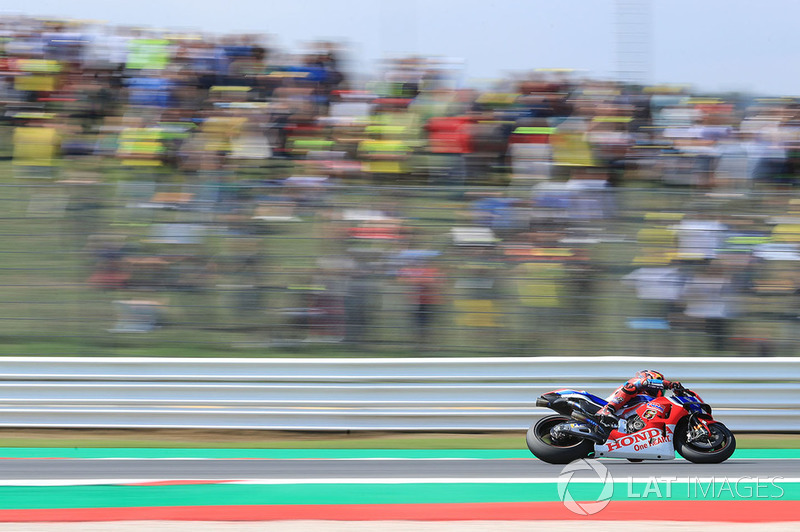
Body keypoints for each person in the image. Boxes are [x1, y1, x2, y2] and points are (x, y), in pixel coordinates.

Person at [591, 370, 682, 440]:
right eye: (659, 382)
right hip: (603, 405)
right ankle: (608, 410)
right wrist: (669, 385)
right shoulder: (637, 382)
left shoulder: (647, 399)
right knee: (631, 388)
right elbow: (643, 383)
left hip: (622, 418)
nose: (661, 389)